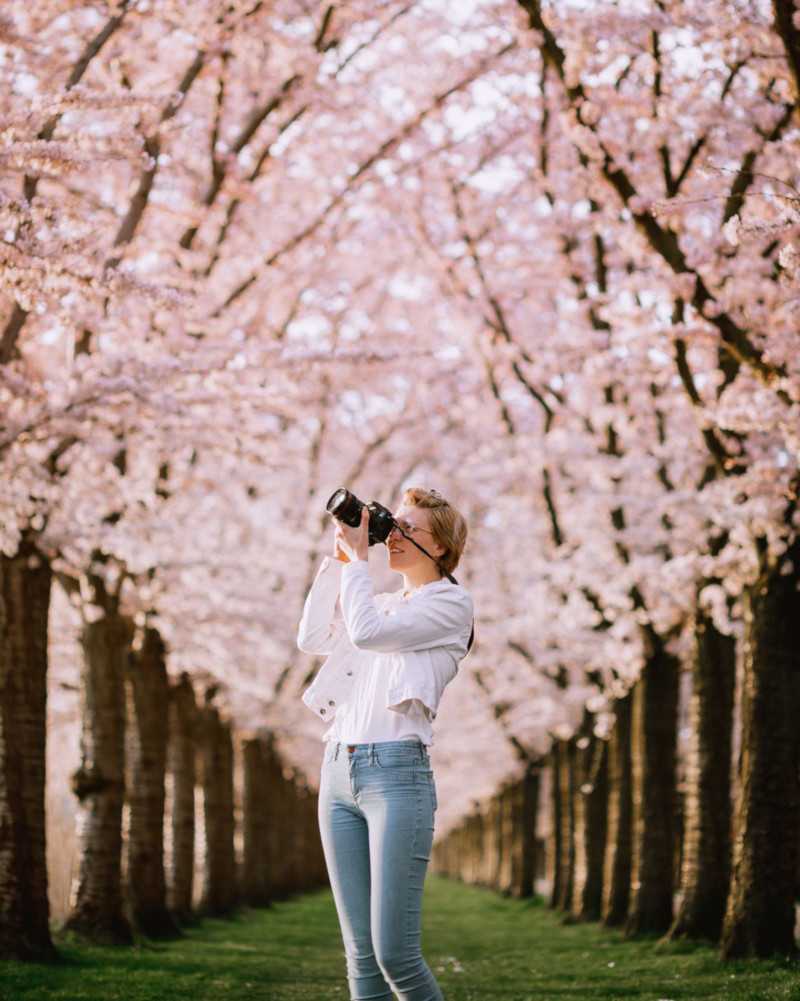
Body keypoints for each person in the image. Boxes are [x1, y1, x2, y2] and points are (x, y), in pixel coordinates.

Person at [297, 486, 474, 1001]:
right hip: (337, 773)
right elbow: (311, 639)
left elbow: (370, 634)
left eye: (408, 529)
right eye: (390, 525)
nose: (392, 536)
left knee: (395, 952)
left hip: (396, 776)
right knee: (360, 956)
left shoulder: (450, 605)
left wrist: (358, 563)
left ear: (439, 547)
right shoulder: (376, 603)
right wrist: (338, 563)